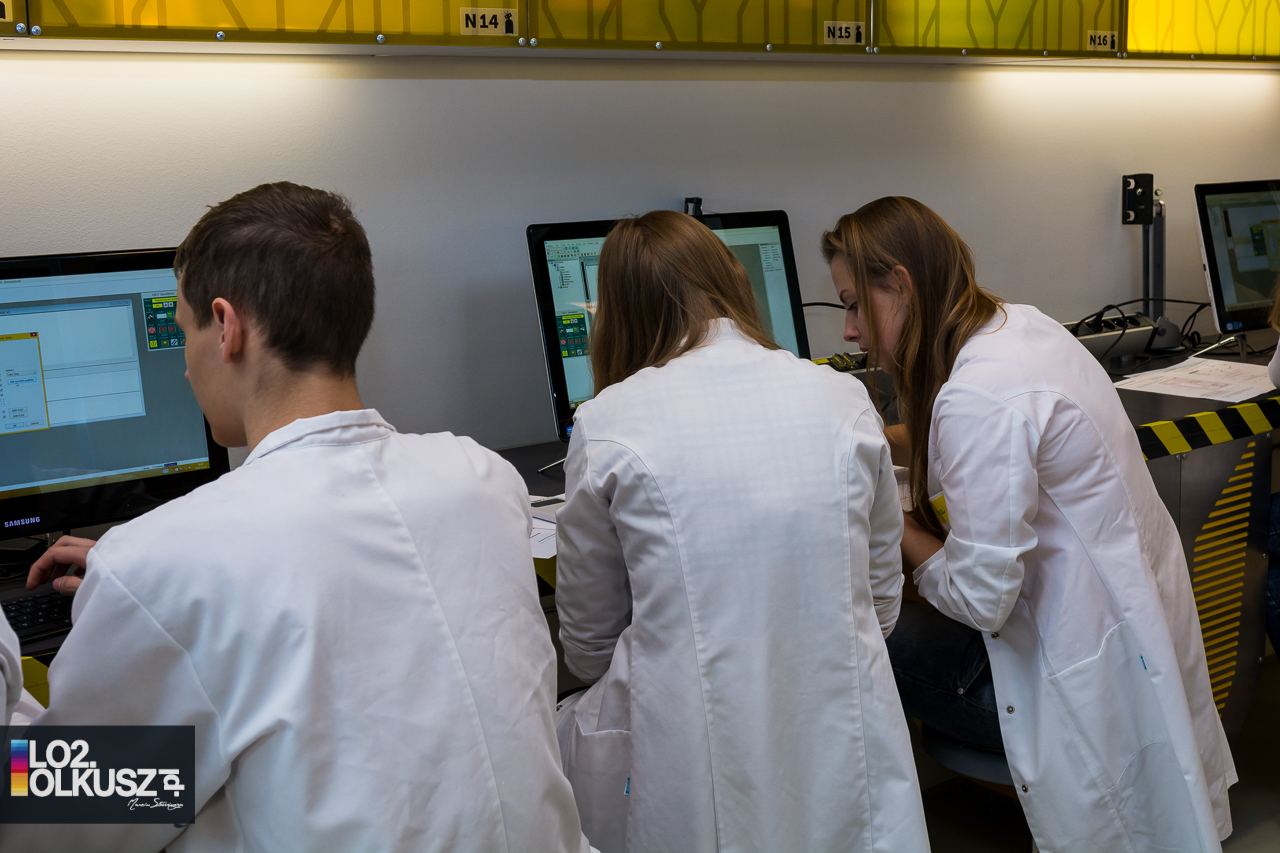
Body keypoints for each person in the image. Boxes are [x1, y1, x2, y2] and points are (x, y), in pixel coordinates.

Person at [4, 182, 592, 853]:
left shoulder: (168, 564)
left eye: (183, 329)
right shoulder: (481, 480)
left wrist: (136, 589)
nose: (185, 369)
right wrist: (141, 589)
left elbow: (51, 824)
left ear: (226, 326)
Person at [823, 196, 1237, 852]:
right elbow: (964, 444)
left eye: (852, 305)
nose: (849, 331)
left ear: (900, 284)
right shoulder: (1019, 326)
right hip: (1128, 641)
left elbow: (980, 600)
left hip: (1066, 680)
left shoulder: (979, 394)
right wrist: (875, 443)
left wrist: (888, 517)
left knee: (856, 631)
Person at [553, 210, 929, 853]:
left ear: (619, 313)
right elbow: (883, 605)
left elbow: (588, 650)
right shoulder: (844, 399)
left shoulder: (607, 421)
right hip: (842, 747)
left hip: (689, 765)